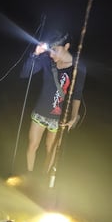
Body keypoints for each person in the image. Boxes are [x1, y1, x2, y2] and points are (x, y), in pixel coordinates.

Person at [20, 29, 86, 181]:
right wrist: (35, 54)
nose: (52, 54)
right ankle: (29, 175)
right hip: (40, 111)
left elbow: (77, 94)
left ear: (67, 46)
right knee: (32, 145)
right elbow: (24, 74)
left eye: (55, 50)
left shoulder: (78, 67)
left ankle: (44, 177)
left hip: (59, 118)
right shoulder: (45, 60)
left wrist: (74, 116)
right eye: (50, 50)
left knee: (51, 150)